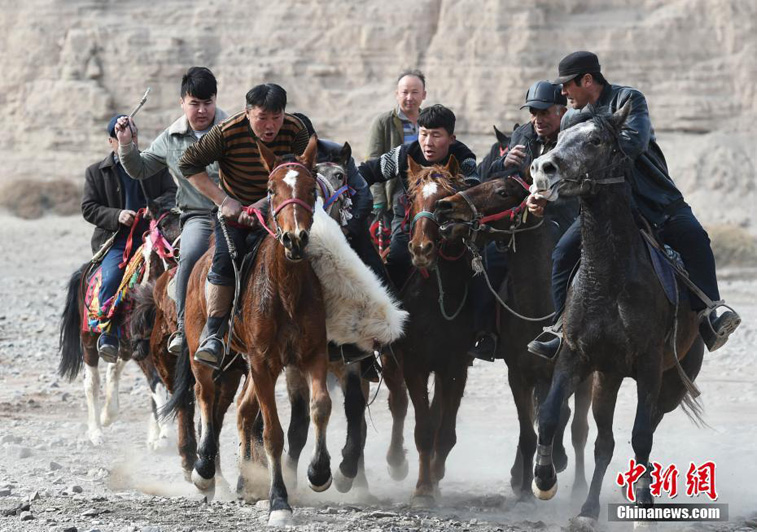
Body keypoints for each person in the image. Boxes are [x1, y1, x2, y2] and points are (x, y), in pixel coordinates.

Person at [527, 51, 740, 359]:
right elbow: (562, 163)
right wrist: (543, 194)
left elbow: (633, 144)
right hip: (605, 212)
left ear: (587, 80)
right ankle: (559, 330)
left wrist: (591, 149)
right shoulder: (571, 119)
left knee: (695, 238)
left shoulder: (629, 99)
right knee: (562, 254)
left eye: (566, 85)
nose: (562, 93)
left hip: (655, 200)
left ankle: (710, 315)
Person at [178, 83, 310, 369]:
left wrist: (270, 204)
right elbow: (188, 165)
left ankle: (337, 335)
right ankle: (213, 332)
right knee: (226, 258)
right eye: (262, 117)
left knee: (318, 253)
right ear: (248, 113)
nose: (271, 126)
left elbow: (301, 171)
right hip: (234, 215)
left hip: (282, 213)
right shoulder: (227, 131)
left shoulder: (296, 130)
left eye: (277, 118)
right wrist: (224, 201)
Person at [115, 66, 227, 355]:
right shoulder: (171, 137)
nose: (202, 110)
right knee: (190, 254)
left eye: (208, 103)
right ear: (182, 103)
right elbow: (140, 168)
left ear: (216, 100)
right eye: (195, 104)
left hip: (239, 213)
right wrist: (126, 145)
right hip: (200, 216)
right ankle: (181, 325)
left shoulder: (234, 128)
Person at [468, 81, 578, 360]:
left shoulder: (574, 136)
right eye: (533, 113)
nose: (537, 120)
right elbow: (490, 184)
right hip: (517, 222)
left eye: (544, 113)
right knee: (488, 259)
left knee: (564, 258)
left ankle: (566, 329)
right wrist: (500, 165)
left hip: (561, 217)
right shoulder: (521, 135)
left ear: (562, 112)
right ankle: (486, 333)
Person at [82, 115, 176, 362]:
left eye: (133, 135)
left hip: (154, 236)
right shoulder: (95, 172)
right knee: (112, 277)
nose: (130, 140)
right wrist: (117, 215)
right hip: (118, 240)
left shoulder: (153, 165)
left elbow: (171, 193)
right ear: (111, 141)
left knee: (181, 272)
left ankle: (179, 329)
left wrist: (154, 208)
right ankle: (108, 335)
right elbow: (89, 208)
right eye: (123, 136)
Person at [360, 104, 478, 290]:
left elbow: (473, 193)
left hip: (448, 225)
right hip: (407, 221)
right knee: (397, 260)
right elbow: (366, 172)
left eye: (436, 135)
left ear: (451, 139)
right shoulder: (404, 154)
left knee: (476, 270)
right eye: (423, 134)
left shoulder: (464, 159)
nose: (428, 142)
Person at [367, 70, 427, 222]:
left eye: (415, 92)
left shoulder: (430, 121)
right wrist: (378, 199)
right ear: (397, 94)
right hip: (397, 189)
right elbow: (374, 160)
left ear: (424, 95)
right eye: (404, 92)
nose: (409, 97)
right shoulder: (383, 122)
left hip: (427, 186)